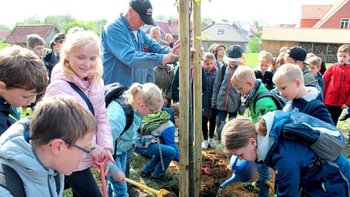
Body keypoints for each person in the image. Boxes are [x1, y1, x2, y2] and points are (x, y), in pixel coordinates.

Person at [44, 30, 114, 197]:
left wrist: (105, 147)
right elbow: (57, 128)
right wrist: (90, 146)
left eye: (92, 58)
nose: (87, 64)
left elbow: (101, 117)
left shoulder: (96, 82)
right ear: (67, 55)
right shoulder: (59, 87)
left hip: (84, 157)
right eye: (81, 57)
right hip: (68, 157)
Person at [221, 115, 349, 197]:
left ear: (252, 142)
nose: (241, 159)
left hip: (334, 182)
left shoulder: (284, 159)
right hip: (315, 178)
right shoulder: (269, 136)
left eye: (240, 155)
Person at [0, 96, 98, 196]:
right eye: (85, 149)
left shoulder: (53, 166)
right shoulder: (5, 192)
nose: (84, 156)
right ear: (57, 147)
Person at [101, 0, 179, 86]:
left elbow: (156, 47)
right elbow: (130, 57)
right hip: (116, 94)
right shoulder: (113, 29)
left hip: (135, 94)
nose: (144, 23)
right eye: (142, 18)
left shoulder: (140, 33)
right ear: (130, 11)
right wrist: (165, 58)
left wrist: (174, 52)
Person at [107, 82, 164, 196]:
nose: (150, 114)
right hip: (111, 154)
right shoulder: (117, 117)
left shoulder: (136, 109)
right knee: (121, 190)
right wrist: (113, 169)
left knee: (115, 182)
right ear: (142, 104)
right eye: (152, 111)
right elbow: (100, 145)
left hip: (121, 150)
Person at [231, 66, 277, 196]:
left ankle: (263, 191)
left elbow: (268, 127)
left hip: (267, 141)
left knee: (262, 166)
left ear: (250, 83)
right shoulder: (254, 94)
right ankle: (259, 183)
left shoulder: (263, 101)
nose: (240, 92)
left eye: (240, 88)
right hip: (260, 136)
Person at [0, 46, 48, 135]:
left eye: (35, 95)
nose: (32, 100)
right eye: (26, 96)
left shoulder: (8, 100)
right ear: (2, 87)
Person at [212, 45, 243, 143]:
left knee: (232, 123)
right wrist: (214, 101)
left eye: (236, 60)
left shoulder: (242, 71)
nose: (233, 62)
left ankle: (231, 140)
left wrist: (242, 106)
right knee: (220, 122)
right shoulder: (223, 68)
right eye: (232, 60)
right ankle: (221, 139)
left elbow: (244, 92)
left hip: (234, 103)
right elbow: (217, 85)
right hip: (221, 102)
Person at [323, 44, 350, 126]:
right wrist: (322, 97)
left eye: (344, 56)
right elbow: (324, 83)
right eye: (340, 56)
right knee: (326, 119)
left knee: (334, 120)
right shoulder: (332, 68)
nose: (341, 58)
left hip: (341, 103)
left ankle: (332, 136)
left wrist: (347, 102)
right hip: (328, 101)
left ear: (349, 57)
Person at [201, 52, 218, 149]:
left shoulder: (216, 72)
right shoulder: (201, 72)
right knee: (203, 121)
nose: (210, 66)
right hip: (204, 101)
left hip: (213, 101)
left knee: (212, 121)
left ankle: (211, 138)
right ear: (203, 63)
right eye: (207, 64)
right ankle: (205, 139)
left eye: (211, 63)